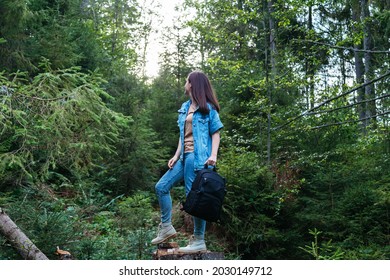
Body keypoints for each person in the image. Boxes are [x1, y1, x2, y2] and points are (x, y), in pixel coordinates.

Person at [151, 70, 223, 253]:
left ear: (192, 84)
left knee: (196, 198)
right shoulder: (185, 107)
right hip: (184, 158)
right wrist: (176, 155)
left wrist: (213, 155)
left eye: (186, 81)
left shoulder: (208, 108)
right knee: (161, 186)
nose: (185, 83)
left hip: (198, 159)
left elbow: (216, 133)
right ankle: (166, 226)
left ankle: (199, 239)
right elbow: (183, 136)